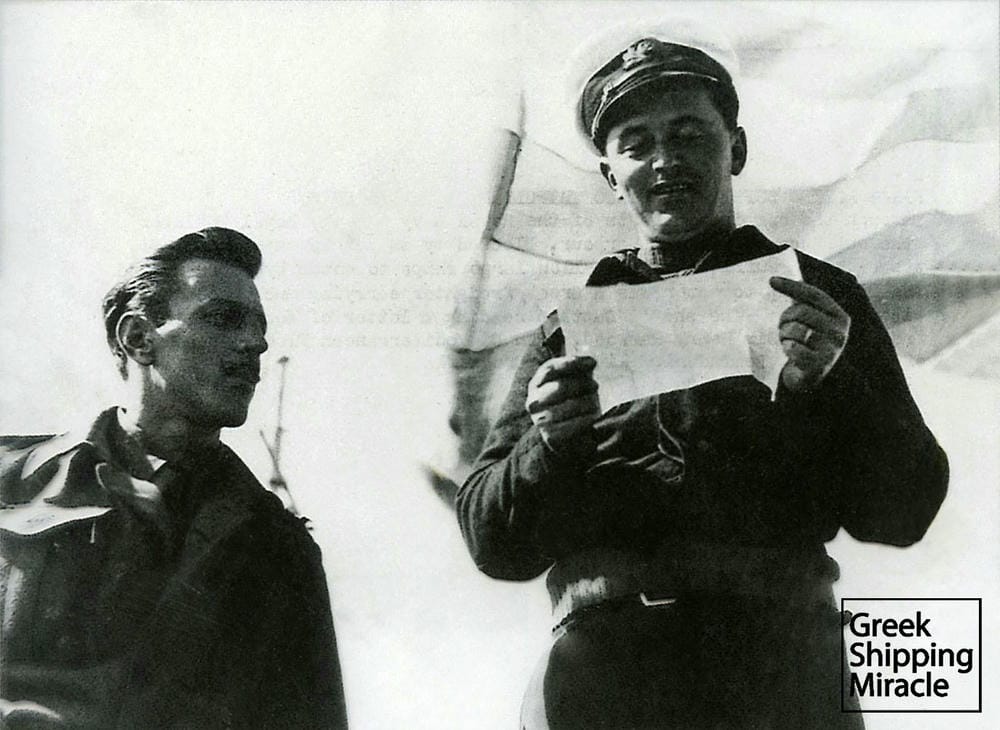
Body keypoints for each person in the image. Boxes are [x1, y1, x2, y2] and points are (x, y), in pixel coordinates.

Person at [455, 21, 949, 729]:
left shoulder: (819, 300)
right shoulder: (568, 329)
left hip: (779, 677)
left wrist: (836, 382)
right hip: (604, 685)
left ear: (735, 147)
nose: (665, 160)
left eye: (689, 133)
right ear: (609, 174)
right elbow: (491, 542)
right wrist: (549, 441)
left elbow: (907, 513)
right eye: (637, 144)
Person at [0, 228, 348, 728]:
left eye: (258, 328)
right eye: (223, 319)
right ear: (139, 338)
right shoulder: (12, 481)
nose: (256, 344)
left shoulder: (279, 550)